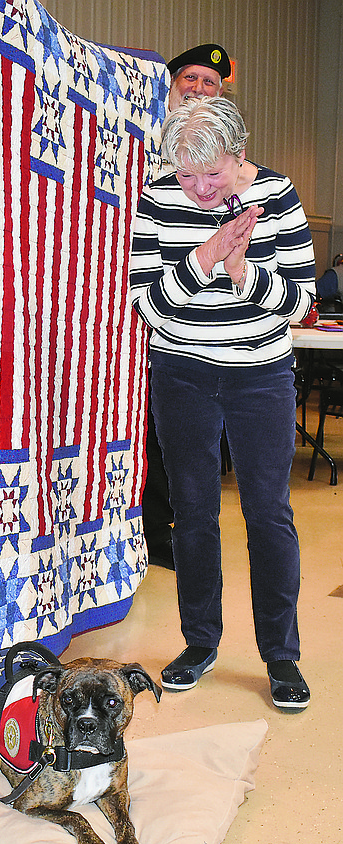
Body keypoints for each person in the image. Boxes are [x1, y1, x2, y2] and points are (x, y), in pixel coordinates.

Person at [130, 97, 315, 710]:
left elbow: (299, 303)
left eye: (213, 173)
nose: (200, 188)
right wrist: (205, 259)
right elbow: (148, 306)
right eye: (187, 175)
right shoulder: (157, 199)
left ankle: (281, 654)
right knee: (194, 509)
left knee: (268, 512)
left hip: (260, 375)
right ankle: (199, 642)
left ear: (239, 157)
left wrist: (242, 273)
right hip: (181, 374)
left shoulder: (280, 196)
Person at [143, 43, 234, 571]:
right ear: (171, 84)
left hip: (206, 318)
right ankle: (154, 527)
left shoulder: (224, 157)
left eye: (211, 83)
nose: (199, 90)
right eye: (190, 79)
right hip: (148, 297)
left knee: (182, 438)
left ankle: (167, 528)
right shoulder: (140, 140)